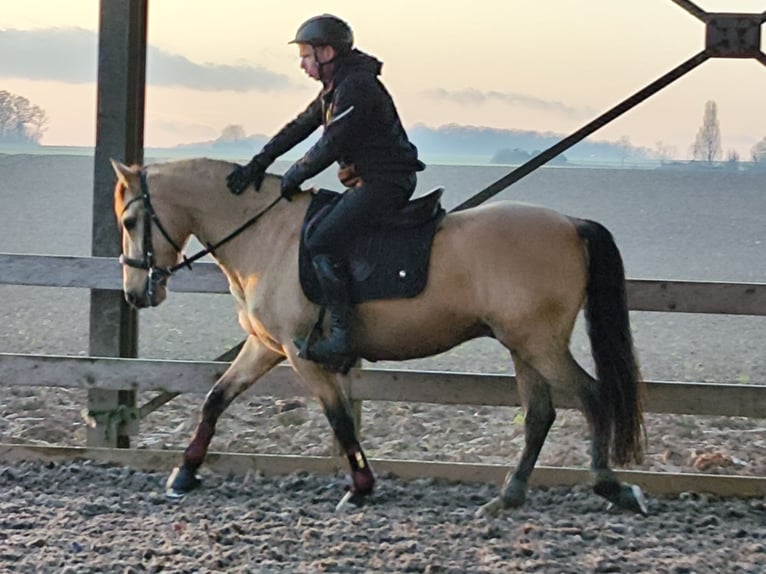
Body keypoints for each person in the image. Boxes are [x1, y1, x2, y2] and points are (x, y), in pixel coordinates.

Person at [226, 14, 425, 370]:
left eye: (305, 56)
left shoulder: (357, 87)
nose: (302, 64)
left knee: (320, 238)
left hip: (386, 183)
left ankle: (341, 337)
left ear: (327, 52)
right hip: (372, 182)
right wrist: (258, 163)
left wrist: (295, 175)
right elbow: (300, 127)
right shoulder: (336, 88)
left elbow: (331, 144)